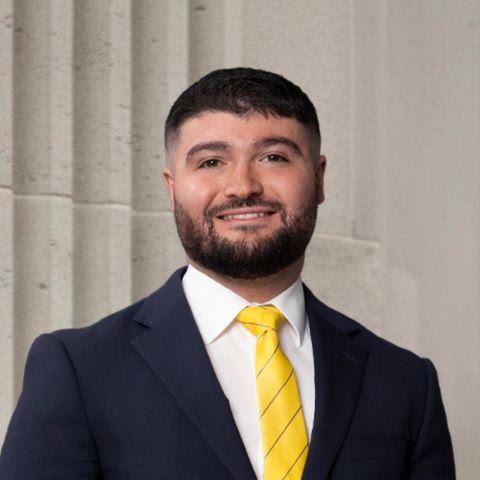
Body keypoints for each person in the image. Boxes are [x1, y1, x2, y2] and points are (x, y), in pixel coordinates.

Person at [0, 68, 455, 479]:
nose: (243, 186)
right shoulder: (79, 369)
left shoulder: (405, 382)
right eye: (211, 162)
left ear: (318, 180)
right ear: (172, 189)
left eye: (274, 157)